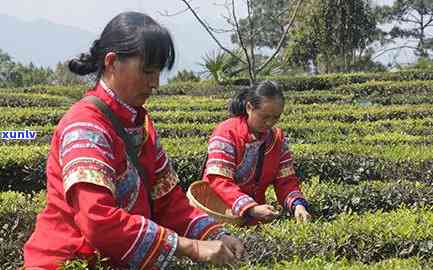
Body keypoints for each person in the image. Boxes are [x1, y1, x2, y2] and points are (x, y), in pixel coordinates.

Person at [23, 11, 244, 270]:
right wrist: (191, 247)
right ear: (112, 62)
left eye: (158, 72)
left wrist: (216, 234)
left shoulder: (141, 124)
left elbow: (169, 201)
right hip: (67, 262)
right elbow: (97, 220)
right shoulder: (85, 126)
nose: (155, 83)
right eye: (147, 71)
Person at [202, 81, 310, 225]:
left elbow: (285, 180)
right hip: (218, 214)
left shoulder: (277, 139)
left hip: (256, 219)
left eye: (276, 117)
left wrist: (298, 205)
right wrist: (251, 208)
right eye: (264, 117)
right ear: (249, 108)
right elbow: (218, 180)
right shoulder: (226, 132)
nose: (270, 123)